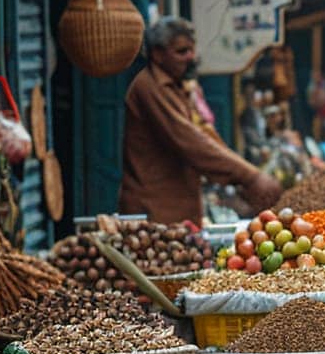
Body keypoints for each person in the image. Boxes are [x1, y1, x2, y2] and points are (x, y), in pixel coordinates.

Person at [118, 18, 282, 224]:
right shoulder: (149, 87)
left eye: (191, 50)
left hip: (181, 209)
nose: (190, 57)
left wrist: (242, 178)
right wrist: (250, 177)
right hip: (154, 211)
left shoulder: (183, 89)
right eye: (181, 51)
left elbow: (207, 137)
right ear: (158, 55)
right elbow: (189, 141)